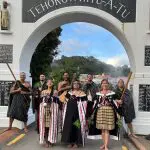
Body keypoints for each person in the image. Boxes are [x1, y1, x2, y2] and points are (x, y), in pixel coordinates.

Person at [88, 79, 120, 150]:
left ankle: (106, 146)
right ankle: (104, 144)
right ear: (101, 85)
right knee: (102, 129)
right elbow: (93, 103)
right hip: (100, 112)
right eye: (103, 83)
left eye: (106, 83)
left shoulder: (112, 93)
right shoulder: (98, 94)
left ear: (108, 84)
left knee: (107, 129)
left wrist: (119, 101)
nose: (104, 84)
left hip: (109, 111)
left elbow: (117, 102)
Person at [61, 80, 87, 148]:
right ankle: (69, 141)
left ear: (79, 85)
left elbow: (85, 104)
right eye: (74, 83)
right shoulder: (69, 93)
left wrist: (79, 102)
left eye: (77, 83)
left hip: (77, 114)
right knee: (69, 127)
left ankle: (76, 142)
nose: (76, 84)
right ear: (72, 85)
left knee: (77, 127)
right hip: (69, 113)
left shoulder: (82, 93)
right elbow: (64, 102)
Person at [39, 79, 60, 148]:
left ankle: (51, 140)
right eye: (48, 82)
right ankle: (46, 140)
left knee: (52, 125)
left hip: (53, 110)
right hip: (45, 110)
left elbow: (57, 102)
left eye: (51, 82)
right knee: (45, 125)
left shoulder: (55, 92)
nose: (50, 83)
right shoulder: (43, 92)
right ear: (46, 84)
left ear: (53, 84)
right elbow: (41, 101)